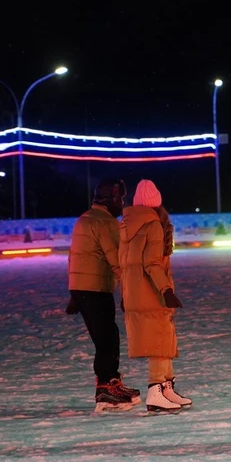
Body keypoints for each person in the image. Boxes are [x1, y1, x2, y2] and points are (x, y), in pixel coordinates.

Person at [68, 177, 140, 412]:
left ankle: (110, 383)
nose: (123, 203)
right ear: (112, 199)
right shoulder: (106, 222)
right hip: (96, 287)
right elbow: (115, 259)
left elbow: (76, 256)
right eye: (121, 199)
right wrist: (129, 290)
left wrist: (74, 292)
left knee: (104, 337)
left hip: (82, 287)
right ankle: (107, 387)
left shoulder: (85, 218)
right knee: (107, 338)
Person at [119, 179, 191, 413]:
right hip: (151, 291)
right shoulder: (152, 225)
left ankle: (166, 387)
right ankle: (155, 390)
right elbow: (151, 264)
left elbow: (123, 264)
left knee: (164, 337)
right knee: (159, 340)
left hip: (134, 292)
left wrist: (125, 293)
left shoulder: (125, 226)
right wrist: (166, 291)